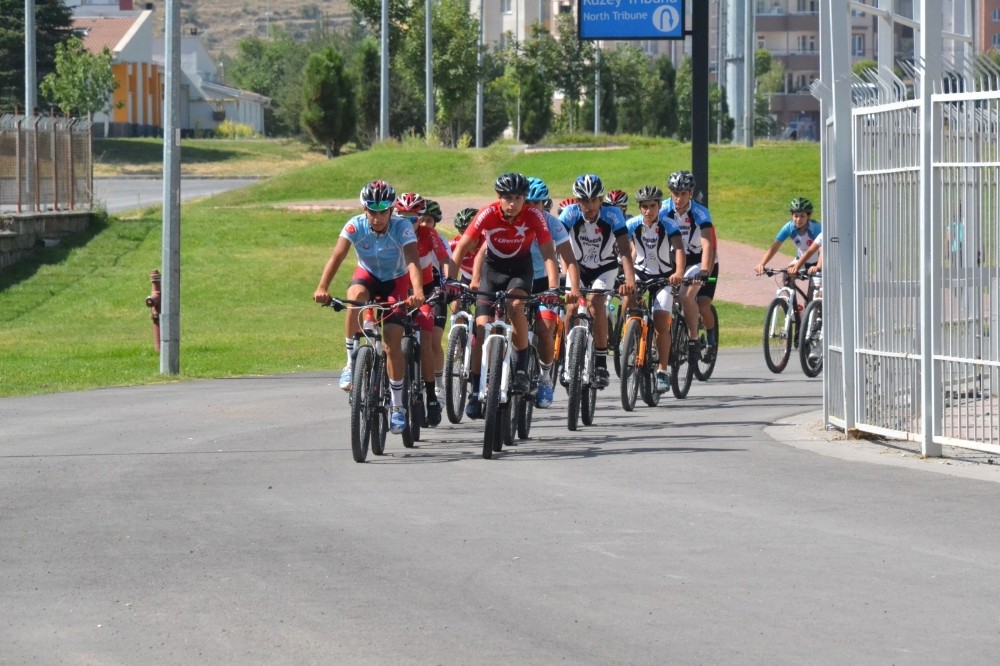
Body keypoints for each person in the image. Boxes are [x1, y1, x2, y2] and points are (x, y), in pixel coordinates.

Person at [313, 180, 424, 435]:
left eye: (382, 211)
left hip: (395, 282)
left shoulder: (402, 227)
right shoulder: (355, 225)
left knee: (392, 342)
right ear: (365, 210)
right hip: (368, 276)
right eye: (372, 211)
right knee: (355, 297)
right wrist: (322, 287)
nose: (376, 217)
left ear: (391, 210)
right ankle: (351, 364)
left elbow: (412, 261)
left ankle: (397, 407)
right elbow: (337, 256)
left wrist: (417, 293)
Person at [450, 173, 560, 419]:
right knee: (480, 330)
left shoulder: (534, 216)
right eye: (507, 198)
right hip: (493, 270)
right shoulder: (488, 213)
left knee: (515, 305)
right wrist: (451, 280)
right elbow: (462, 248)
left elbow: (549, 254)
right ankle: (475, 390)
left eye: (518, 198)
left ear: (524, 199)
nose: (513, 203)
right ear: (499, 198)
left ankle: (521, 369)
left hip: (521, 272)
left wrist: (553, 287)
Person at [559, 173, 636, 389]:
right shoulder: (569, 214)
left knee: (595, 304)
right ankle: (568, 360)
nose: (589, 205)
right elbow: (556, 245)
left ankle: (601, 363)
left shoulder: (613, 216)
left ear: (601, 200)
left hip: (605, 268)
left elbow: (624, 251)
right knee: (571, 305)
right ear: (577, 201)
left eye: (594, 200)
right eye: (584, 200)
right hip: (578, 267)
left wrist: (630, 280)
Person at [394, 193, 456, 427]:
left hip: (427, 288)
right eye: (403, 216)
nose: (408, 222)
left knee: (428, 338)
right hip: (399, 285)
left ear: (420, 218)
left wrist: (448, 282)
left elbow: (445, 260)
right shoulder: (392, 232)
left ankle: (431, 393)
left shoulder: (429, 234)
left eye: (413, 218)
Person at [525, 177, 581, 408]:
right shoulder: (513, 221)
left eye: (536, 204)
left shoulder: (553, 224)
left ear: (544, 204)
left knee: (545, 330)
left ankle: (546, 378)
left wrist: (574, 289)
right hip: (516, 280)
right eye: (527, 203)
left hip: (544, 282)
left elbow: (569, 260)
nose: (530, 208)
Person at [623, 185, 686, 392]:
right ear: (639, 208)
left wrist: (678, 272)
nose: (648, 210)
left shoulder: (669, 224)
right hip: (640, 274)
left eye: (652, 206)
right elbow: (621, 245)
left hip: (663, 277)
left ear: (659, 206)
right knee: (629, 301)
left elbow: (678, 249)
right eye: (644, 206)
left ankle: (662, 370)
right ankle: (628, 338)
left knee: (660, 321)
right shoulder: (632, 224)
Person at [660, 170, 718, 362]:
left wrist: (704, 271)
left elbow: (708, 243)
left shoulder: (700, 212)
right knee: (665, 298)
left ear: (690, 193)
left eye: (683, 193)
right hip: (674, 258)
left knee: (695, 301)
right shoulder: (663, 210)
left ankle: (699, 339)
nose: (678, 198)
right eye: (675, 193)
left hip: (700, 260)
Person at [755, 197, 822, 302]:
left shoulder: (815, 228)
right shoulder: (789, 227)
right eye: (795, 216)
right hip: (801, 260)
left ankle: (810, 308)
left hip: (819, 262)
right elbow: (775, 246)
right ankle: (792, 306)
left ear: (808, 216)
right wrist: (762, 264)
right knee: (787, 274)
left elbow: (822, 249)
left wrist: (818, 266)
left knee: (812, 299)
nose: (798, 219)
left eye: (802, 216)